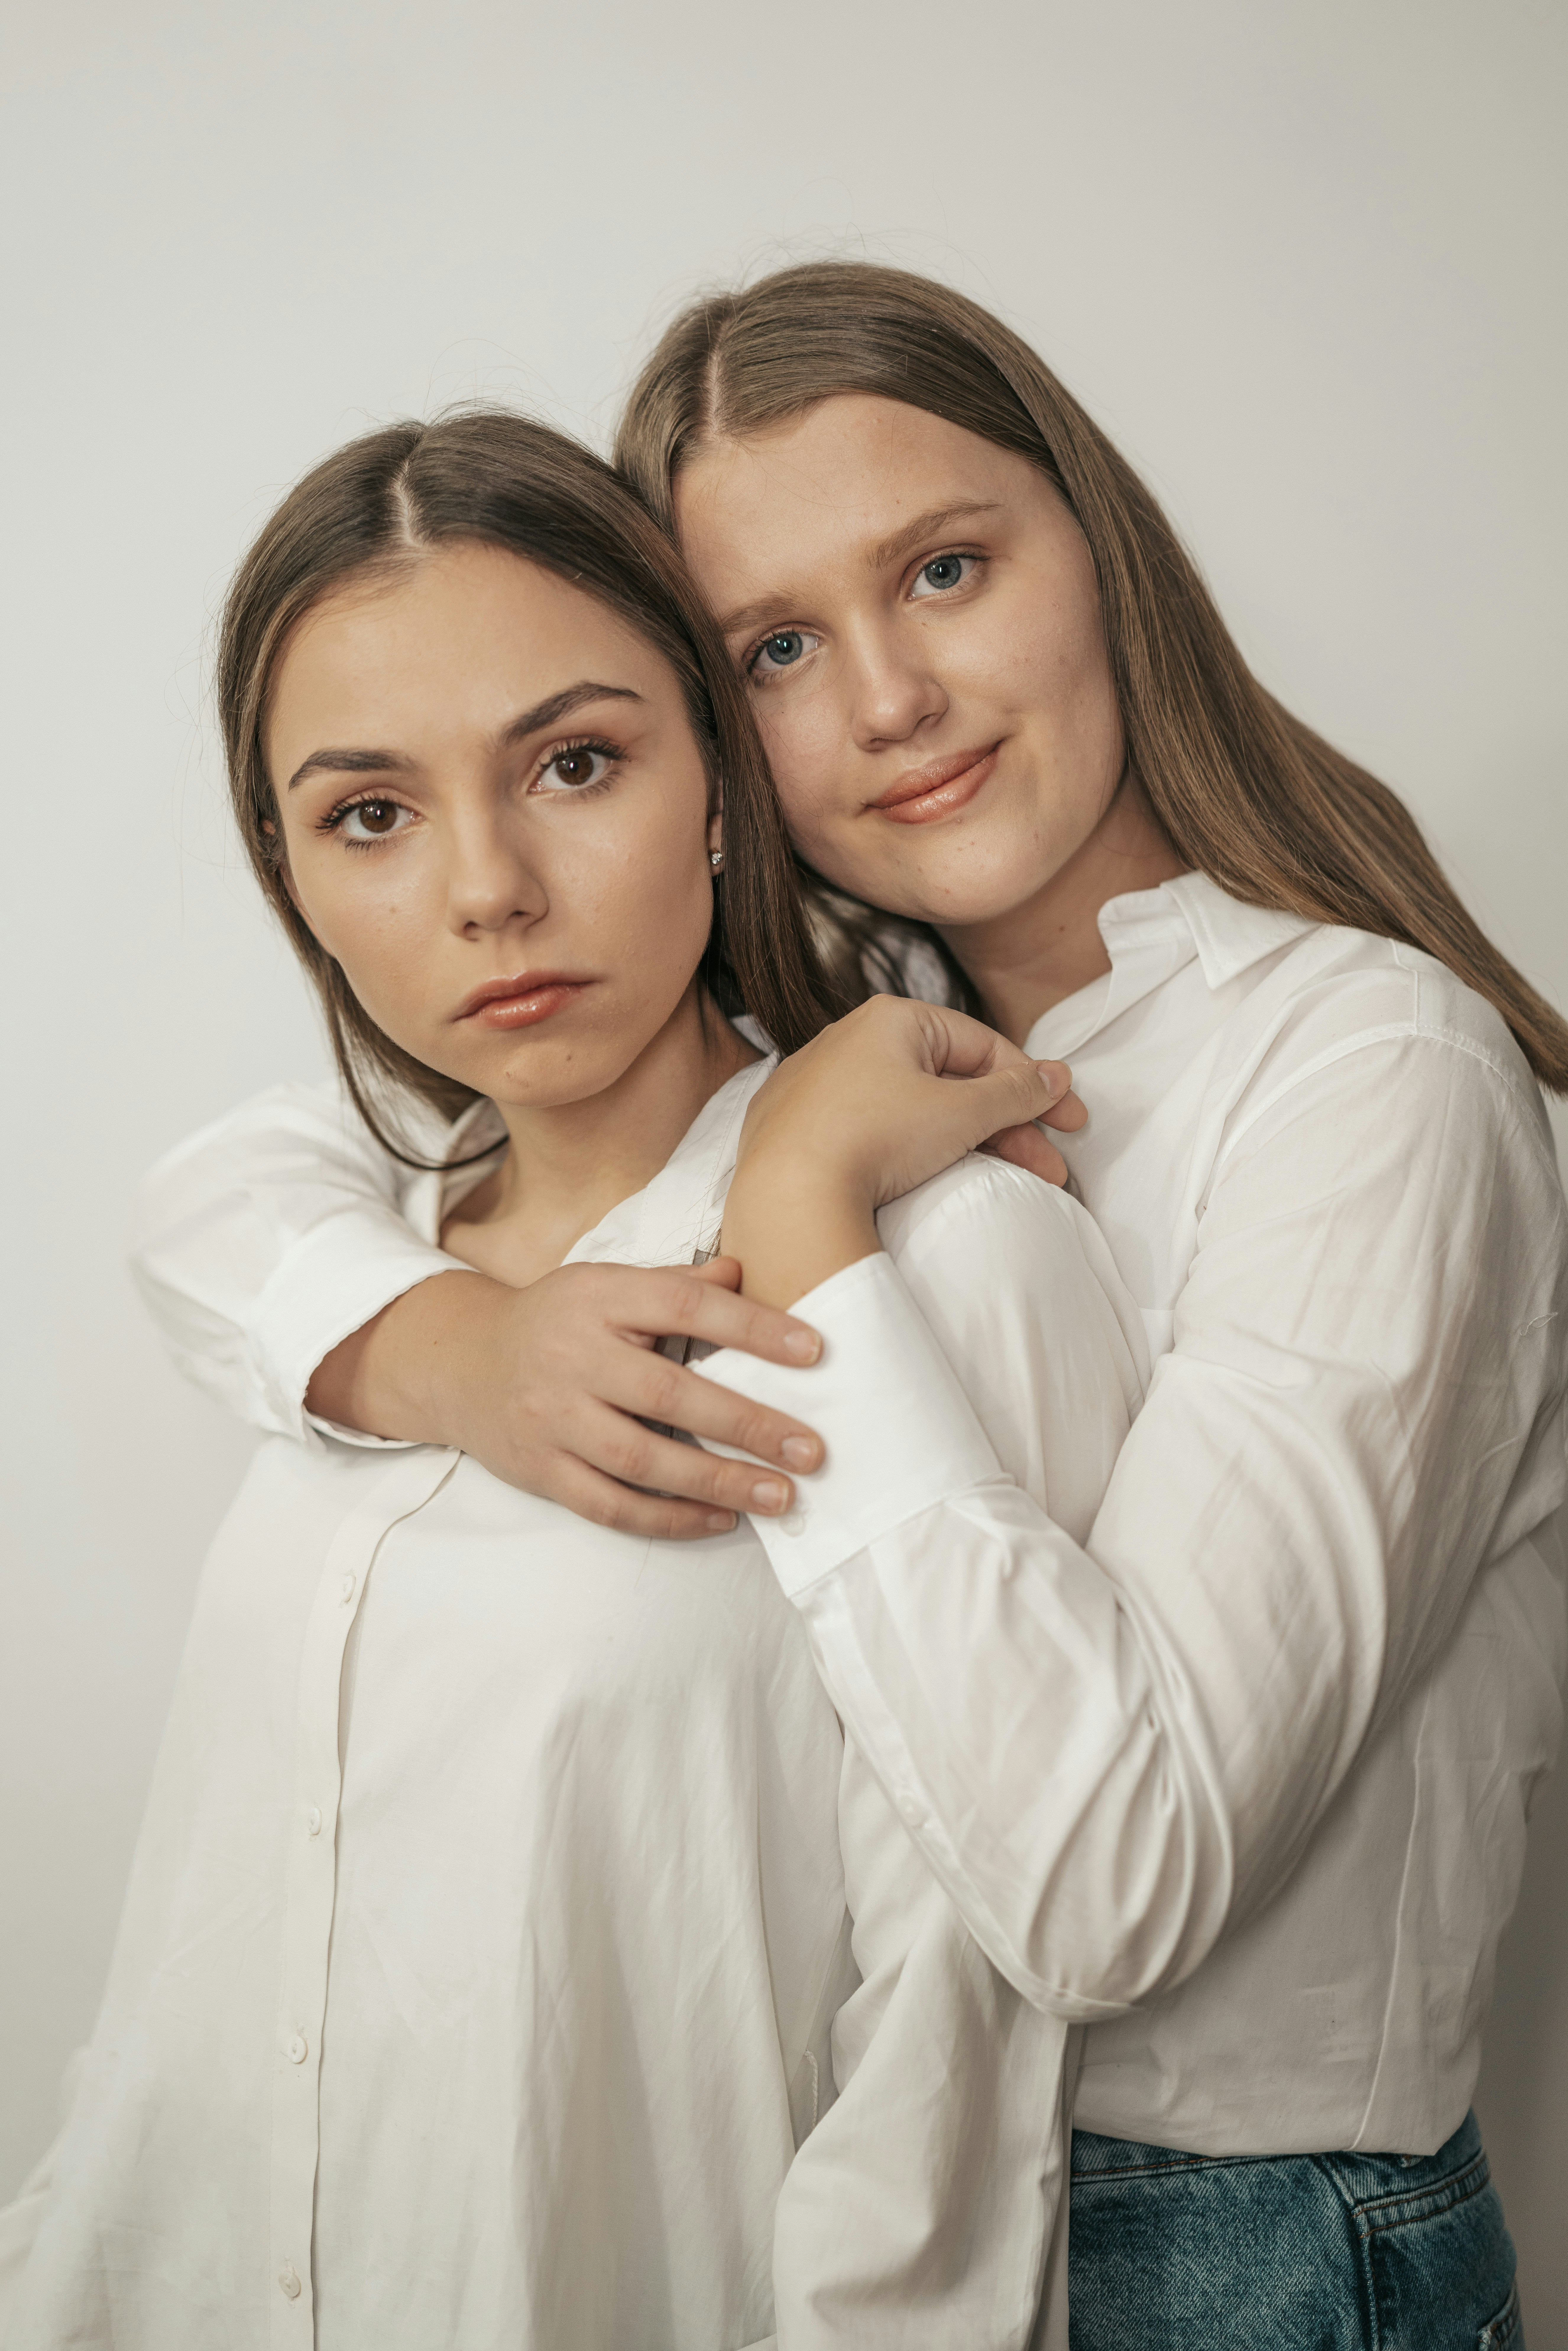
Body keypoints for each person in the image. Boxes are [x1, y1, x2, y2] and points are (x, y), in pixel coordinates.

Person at [128, 265, 1565, 2348]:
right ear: (722, 740)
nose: (888, 698)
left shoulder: (1368, 1072)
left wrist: (809, 1209)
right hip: (855, 2194)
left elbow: (1111, 1884)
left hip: (1237, 2239)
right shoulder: (852, 1044)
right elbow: (230, 1187)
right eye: (778, 648)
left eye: (948, 568)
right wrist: (443, 1348)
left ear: (1105, 556)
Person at [0, 409, 1153, 2350]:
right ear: (289, 869)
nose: (488, 891)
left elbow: (945, 2080)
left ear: (713, 776)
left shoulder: (945, 1261)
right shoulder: (362, 1256)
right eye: (371, 814)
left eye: (575, 765)